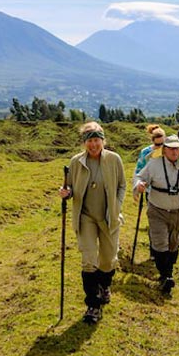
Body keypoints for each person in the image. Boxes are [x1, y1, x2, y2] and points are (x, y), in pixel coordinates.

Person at [59, 122, 126, 324]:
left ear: (103, 141)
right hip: (85, 217)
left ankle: (105, 285)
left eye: (96, 140)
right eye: (89, 141)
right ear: (84, 143)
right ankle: (93, 305)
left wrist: (116, 205)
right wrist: (66, 193)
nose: (93, 145)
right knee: (89, 260)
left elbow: (122, 185)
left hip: (108, 217)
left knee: (107, 260)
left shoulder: (114, 160)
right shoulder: (76, 162)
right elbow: (69, 187)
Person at [133, 135, 179, 295]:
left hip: (178, 211)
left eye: (177, 148)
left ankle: (167, 271)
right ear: (164, 150)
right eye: (171, 148)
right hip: (157, 211)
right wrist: (139, 185)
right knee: (160, 243)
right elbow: (139, 176)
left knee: (173, 244)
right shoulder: (154, 164)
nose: (174, 151)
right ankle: (165, 276)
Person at [135, 125, 167, 261]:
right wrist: (139, 183)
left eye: (162, 144)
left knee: (169, 221)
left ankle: (168, 249)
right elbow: (138, 170)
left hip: (171, 191)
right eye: (157, 144)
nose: (160, 147)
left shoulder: (173, 148)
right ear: (152, 142)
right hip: (152, 192)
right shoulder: (145, 153)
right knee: (154, 222)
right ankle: (154, 251)